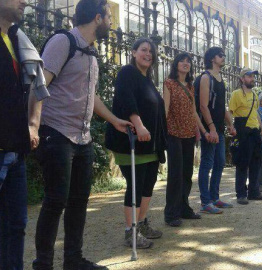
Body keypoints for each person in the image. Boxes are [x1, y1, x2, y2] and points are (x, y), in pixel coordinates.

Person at [33, 1, 132, 269]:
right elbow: (40, 84)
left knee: (78, 202)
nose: (112, 23)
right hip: (56, 133)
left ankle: (73, 260)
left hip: (82, 138)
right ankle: (43, 263)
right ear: (98, 18)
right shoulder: (62, 42)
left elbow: (90, 96)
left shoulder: (91, 51)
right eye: (109, 17)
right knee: (55, 201)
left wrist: (114, 120)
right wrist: (33, 125)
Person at [0, 0, 49, 268]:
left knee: (16, 227)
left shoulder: (17, 37)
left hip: (16, 151)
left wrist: (33, 123)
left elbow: (36, 83)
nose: (26, 2)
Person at [105, 38, 167, 248]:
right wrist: (139, 125)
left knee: (148, 185)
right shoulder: (127, 73)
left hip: (150, 145)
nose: (148, 54)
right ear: (133, 52)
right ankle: (130, 232)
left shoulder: (147, 79)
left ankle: (141, 224)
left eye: (151, 51)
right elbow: (126, 99)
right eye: (143, 50)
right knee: (136, 186)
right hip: (131, 140)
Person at [163, 53, 211, 226]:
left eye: (188, 62)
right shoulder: (169, 83)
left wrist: (204, 131)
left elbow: (193, 112)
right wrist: (161, 131)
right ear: (176, 64)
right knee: (175, 174)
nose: (185, 63)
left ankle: (184, 208)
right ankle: (171, 213)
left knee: (187, 173)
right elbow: (165, 109)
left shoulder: (190, 86)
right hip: (173, 133)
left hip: (189, 134)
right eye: (182, 61)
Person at [196, 47, 236, 214]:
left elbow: (222, 106)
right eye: (221, 55)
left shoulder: (220, 79)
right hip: (208, 127)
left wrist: (230, 124)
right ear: (213, 58)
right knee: (207, 163)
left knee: (219, 163)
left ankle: (214, 197)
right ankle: (205, 202)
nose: (223, 57)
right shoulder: (206, 77)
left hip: (218, 128)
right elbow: (203, 106)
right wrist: (210, 128)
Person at [229, 68, 262, 205]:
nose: (252, 78)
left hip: (255, 131)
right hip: (242, 130)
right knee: (242, 163)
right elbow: (230, 112)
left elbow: (256, 113)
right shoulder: (236, 94)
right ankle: (241, 194)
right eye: (249, 76)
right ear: (242, 79)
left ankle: (254, 191)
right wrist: (231, 127)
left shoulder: (255, 95)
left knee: (256, 162)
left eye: (253, 76)